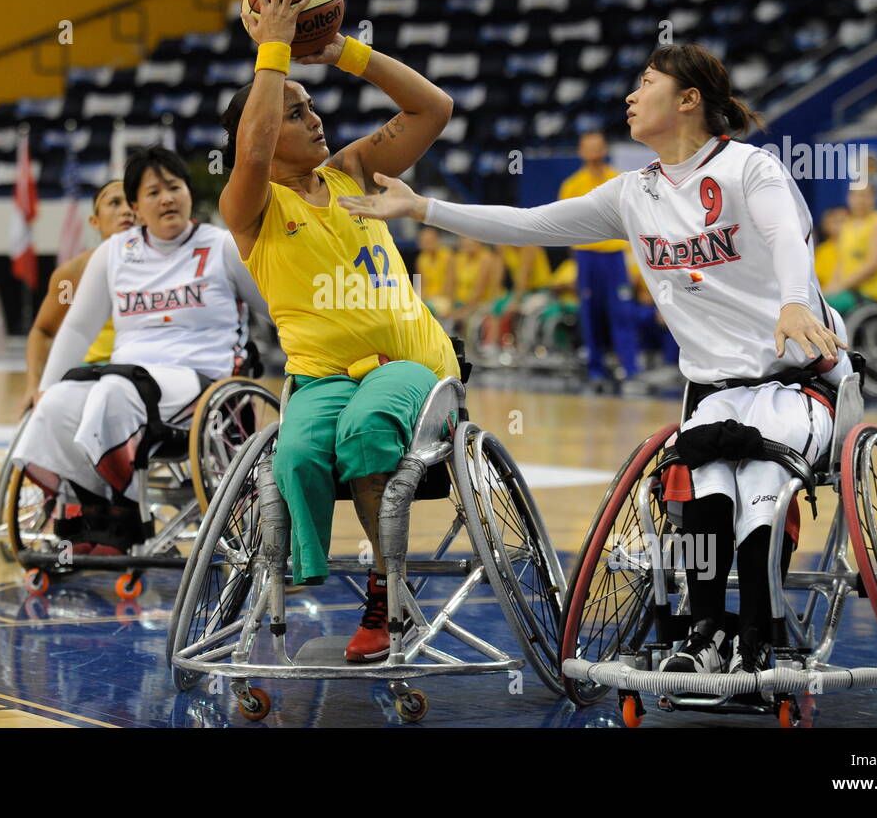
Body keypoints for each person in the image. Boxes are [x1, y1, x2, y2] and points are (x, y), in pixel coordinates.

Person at [339, 43, 850, 676]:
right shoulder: (633, 193)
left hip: (799, 379)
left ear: (689, 100)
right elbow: (530, 224)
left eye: (645, 82)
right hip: (717, 392)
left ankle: (757, 636)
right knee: (704, 486)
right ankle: (707, 634)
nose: (630, 96)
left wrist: (796, 304)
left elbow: (782, 237)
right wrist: (422, 208)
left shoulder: (750, 169)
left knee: (761, 484)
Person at [220, 0, 458, 663]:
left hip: (411, 367)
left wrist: (345, 53)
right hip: (323, 377)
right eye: (295, 110)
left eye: (311, 104)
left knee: (363, 429)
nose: (315, 116)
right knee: (293, 451)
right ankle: (306, 575)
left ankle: (386, 597)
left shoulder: (351, 171)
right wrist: (274, 51)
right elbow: (254, 148)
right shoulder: (251, 206)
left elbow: (433, 109)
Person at [13, 146, 268, 556]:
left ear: (188, 193)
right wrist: (43, 386)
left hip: (204, 380)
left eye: (174, 187)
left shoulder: (221, 246)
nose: (167, 198)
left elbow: (275, 309)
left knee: (114, 392)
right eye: (153, 192)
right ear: (136, 206)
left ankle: (125, 513)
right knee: (58, 403)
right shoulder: (114, 253)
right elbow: (78, 326)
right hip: (131, 376)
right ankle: (93, 508)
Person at [20, 180, 136, 414]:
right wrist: (33, 385)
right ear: (95, 221)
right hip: (92, 375)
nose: (126, 210)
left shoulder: (168, 263)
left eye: (132, 202)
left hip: (144, 370)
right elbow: (43, 332)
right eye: (114, 202)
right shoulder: (72, 273)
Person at [558, 132, 641, 384]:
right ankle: (595, 370)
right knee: (590, 314)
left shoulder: (619, 180)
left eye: (597, 147)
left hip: (614, 257)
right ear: (581, 152)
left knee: (622, 312)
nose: (593, 152)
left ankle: (630, 369)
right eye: (588, 147)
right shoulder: (572, 185)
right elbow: (565, 226)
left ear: (604, 149)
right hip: (586, 257)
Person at [824, 185, 877, 314]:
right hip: (847, 291)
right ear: (849, 198)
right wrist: (829, 288)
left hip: (869, 294)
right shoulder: (848, 225)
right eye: (856, 195)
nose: (860, 200)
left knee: (824, 306)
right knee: (817, 301)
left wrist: (841, 286)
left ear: (874, 198)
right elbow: (841, 263)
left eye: (865, 196)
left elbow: (873, 266)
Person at [414, 225, 455, 318]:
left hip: (443, 298)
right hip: (428, 299)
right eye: (424, 241)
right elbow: (420, 285)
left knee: (427, 309)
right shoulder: (421, 259)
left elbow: (450, 283)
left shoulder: (447, 255)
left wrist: (450, 304)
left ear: (437, 239)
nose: (427, 243)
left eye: (430, 240)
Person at [812, 205, 847, 291]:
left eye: (844, 221)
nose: (841, 226)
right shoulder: (822, 250)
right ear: (826, 225)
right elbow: (817, 279)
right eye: (835, 222)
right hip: (827, 293)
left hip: (849, 292)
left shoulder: (856, 247)